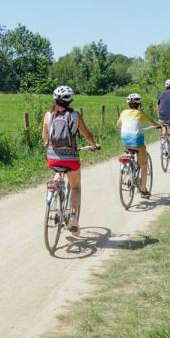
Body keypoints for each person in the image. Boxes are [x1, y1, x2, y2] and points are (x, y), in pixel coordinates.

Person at [42, 86, 99, 234]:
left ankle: (54, 189)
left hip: (52, 158)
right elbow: (87, 134)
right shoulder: (75, 115)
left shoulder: (48, 115)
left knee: (57, 171)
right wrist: (94, 145)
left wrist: (51, 147)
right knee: (75, 186)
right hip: (71, 159)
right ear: (70, 100)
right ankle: (73, 216)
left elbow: (45, 137)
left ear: (55, 99)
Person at [117, 93, 160, 197]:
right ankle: (143, 189)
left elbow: (118, 125)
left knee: (128, 155)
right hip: (137, 142)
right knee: (143, 165)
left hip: (125, 141)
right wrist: (157, 125)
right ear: (139, 104)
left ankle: (127, 176)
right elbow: (153, 123)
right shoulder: (140, 113)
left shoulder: (123, 113)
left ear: (128, 104)